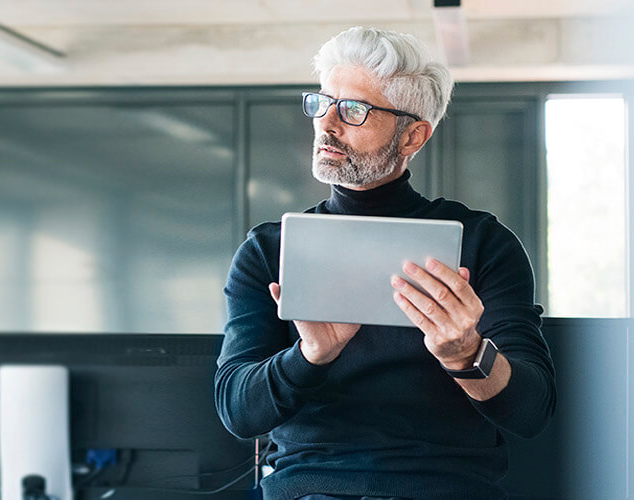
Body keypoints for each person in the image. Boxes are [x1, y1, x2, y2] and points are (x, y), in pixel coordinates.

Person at [213, 27, 556, 500]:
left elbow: (531, 412)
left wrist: (466, 354)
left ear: (413, 135)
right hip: (311, 488)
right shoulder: (268, 250)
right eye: (323, 102)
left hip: (443, 489)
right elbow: (238, 412)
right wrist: (310, 355)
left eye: (353, 109)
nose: (327, 123)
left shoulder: (483, 244)